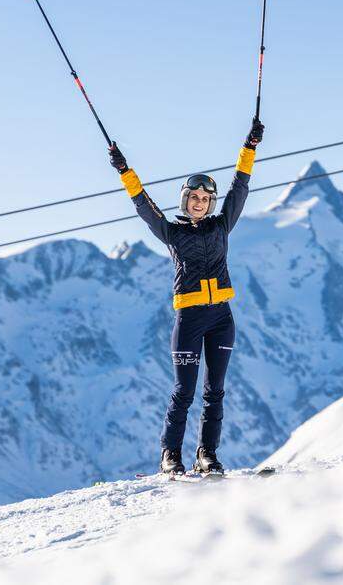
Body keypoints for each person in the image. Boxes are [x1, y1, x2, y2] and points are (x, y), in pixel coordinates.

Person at [107, 119, 264, 476]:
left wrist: (249, 147)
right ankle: (170, 455)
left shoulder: (221, 226)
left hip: (221, 318)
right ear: (185, 199)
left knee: (215, 392)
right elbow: (143, 205)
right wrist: (124, 170)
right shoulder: (171, 233)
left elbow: (240, 187)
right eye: (194, 197)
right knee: (184, 391)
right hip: (190, 319)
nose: (200, 203)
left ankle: (206, 454)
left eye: (206, 199)